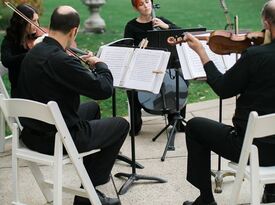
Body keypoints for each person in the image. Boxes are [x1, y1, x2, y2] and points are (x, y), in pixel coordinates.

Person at [17, 5, 129, 205]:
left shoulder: (35, 51)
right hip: (55, 138)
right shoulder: (62, 61)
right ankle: (87, 196)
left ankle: (88, 180)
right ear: (74, 31)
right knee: (120, 125)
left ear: (51, 26)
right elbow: (103, 89)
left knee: (92, 108)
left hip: (31, 133)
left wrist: (78, 68)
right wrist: (99, 64)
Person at [182, 0, 275, 204]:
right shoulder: (258, 53)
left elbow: (224, 88)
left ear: (267, 23)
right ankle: (272, 191)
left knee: (195, 126)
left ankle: (205, 199)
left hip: (251, 149)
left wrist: (202, 53)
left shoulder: (255, 56)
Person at [124, 0, 186, 136]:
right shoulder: (131, 26)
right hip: (144, 66)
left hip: (166, 66)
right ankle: (135, 123)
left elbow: (182, 34)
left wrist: (166, 26)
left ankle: (176, 120)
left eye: (147, 2)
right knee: (131, 89)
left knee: (180, 78)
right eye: (141, 4)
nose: (146, 6)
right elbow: (127, 48)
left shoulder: (160, 20)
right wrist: (138, 46)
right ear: (136, 8)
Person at [1, 4, 39, 98]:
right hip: (21, 94)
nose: (37, 25)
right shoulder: (9, 41)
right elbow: (7, 61)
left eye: (37, 20)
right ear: (22, 22)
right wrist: (31, 54)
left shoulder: (36, 38)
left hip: (39, 89)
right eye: (34, 21)